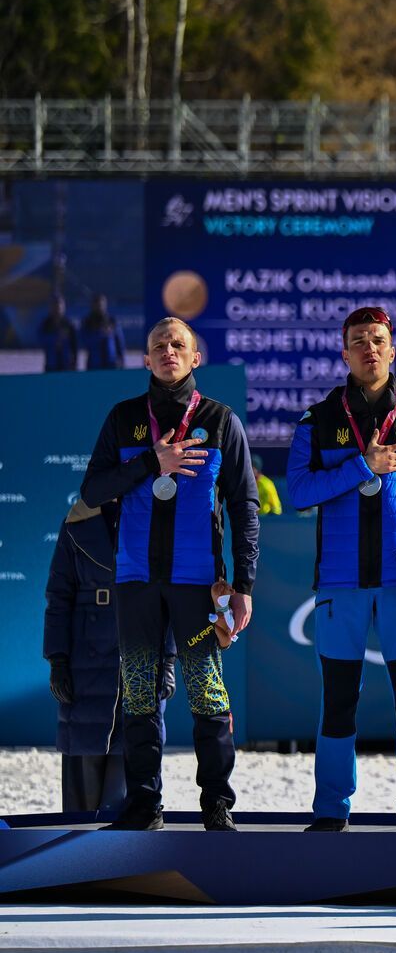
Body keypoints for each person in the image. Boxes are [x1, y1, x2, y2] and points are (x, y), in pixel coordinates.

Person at [78, 316, 258, 831]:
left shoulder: (220, 421)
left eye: (178, 344)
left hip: (198, 584)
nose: (168, 351)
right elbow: (92, 492)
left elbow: (244, 505)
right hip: (136, 580)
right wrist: (150, 463)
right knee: (139, 694)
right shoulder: (124, 418)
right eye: (159, 345)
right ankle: (144, 804)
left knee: (207, 693)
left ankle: (217, 803)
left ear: (195, 357)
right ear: (146, 359)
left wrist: (243, 585)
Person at [286, 306, 396, 832]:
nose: (369, 348)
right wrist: (364, 465)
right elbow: (298, 492)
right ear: (345, 353)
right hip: (340, 584)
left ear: (392, 350)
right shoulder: (318, 420)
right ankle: (331, 809)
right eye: (358, 340)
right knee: (338, 701)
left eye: (378, 339)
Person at [44, 500, 171, 818]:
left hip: (139, 646)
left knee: (130, 765)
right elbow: (59, 596)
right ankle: (77, 844)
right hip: (86, 657)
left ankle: (122, 841)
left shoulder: (156, 516)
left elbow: (170, 596)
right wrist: (57, 658)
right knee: (83, 774)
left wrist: (168, 659)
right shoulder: (76, 522)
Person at [80, 295, 126, 371]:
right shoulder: (87, 322)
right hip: (94, 364)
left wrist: (121, 361)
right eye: (97, 305)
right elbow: (84, 341)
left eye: (101, 305)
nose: (100, 308)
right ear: (92, 306)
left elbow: (120, 343)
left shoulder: (112, 321)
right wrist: (100, 334)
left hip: (112, 364)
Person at [37, 293, 79, 372]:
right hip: (51, 366)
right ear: (50, 307)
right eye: (54, 305)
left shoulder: (69, 325)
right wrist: (56, 339)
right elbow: (40, 340)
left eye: (59, 305)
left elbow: (75, 346)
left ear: (64, 307)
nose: (57, 308)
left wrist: (74, 364)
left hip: (66, 366)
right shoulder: (45, 325)